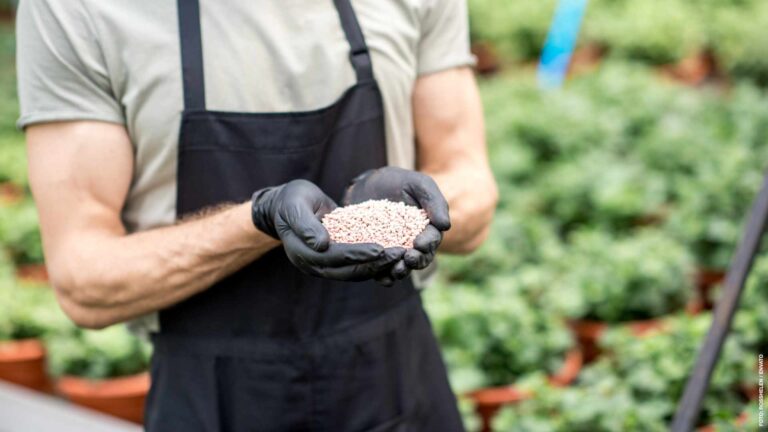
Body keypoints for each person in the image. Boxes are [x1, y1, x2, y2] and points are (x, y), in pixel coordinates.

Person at [16, 0, 497, 430]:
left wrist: (404, 208)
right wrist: (258, 220)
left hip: (397, 380)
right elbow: (84, 281)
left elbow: (472, 190)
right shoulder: (78, 10)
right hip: (212, 398)